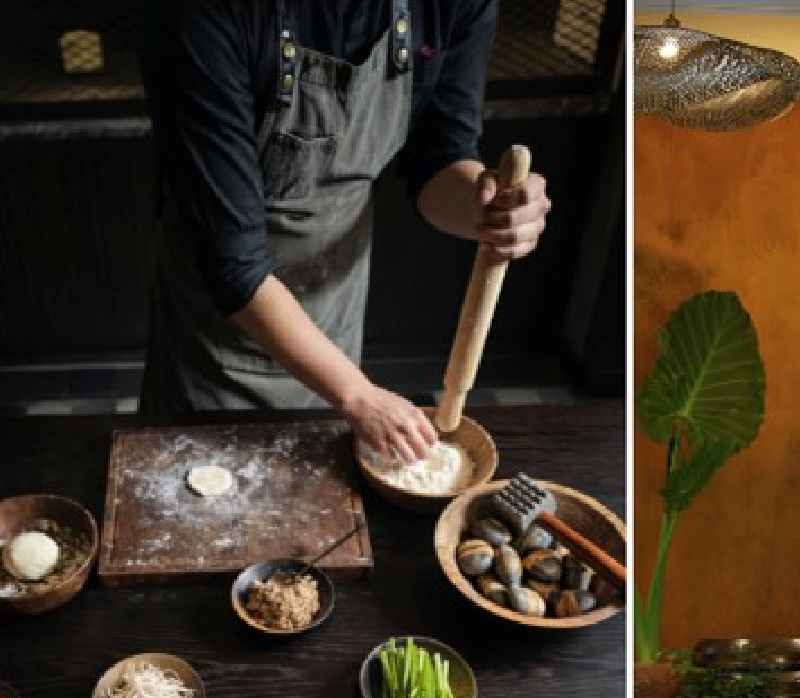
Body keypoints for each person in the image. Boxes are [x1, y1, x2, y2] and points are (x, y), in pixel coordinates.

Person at [139, 1, 551, 464]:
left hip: (333, 307)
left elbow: (437, 158)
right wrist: (358, 396)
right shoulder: (204, 15)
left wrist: (489, 209)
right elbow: (232, 262)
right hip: (218, 340)